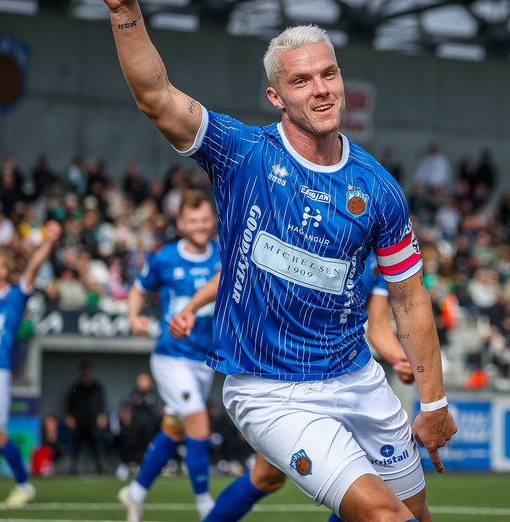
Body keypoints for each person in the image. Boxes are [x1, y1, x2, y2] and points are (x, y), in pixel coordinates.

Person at [93, 0, 456, 522]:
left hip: (357, 379)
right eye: (301, 81)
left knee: (413, 518)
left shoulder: (379, 188)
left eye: (329, 74)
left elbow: (410, 297)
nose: (321, 90)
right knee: (384, 518)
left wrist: (434, 401)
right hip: (269, 389)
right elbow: (156, 96)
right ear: (275, 96)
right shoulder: (244, 153)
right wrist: (125, 12)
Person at [169, 252, 415, 522]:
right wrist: (191, 307)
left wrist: (402, 360)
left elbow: (378, 326)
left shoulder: (381, 254)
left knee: (370, 484)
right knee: (268, 477)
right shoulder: (308, 232)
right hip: (283, 378)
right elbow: (236, 266)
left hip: (344, 378)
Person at [118, 190, 221, 522]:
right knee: (198, 424)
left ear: (213, 220)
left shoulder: (224, 255)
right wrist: (133, 318)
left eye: (204, 219)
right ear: (181, 223)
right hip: (171, 358)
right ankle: (207, 508)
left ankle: (135, 494)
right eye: (193, 220)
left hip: (204, 360)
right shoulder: (165, 258)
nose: (200, 225)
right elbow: (138, 289)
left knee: (175, 430)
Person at [0, 220, 61, 507]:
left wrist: (49, 242)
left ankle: (24, 486)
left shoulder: (15, 296)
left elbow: (32, 267)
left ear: (4, 271)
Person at [65, 361, 108, 474]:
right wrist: (70, 416)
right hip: (79, 421)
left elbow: (101, 403)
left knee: (95, 445)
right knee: (76, 445)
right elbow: (70, 403)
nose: (86, 373)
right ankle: (73, 468)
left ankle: (99, 468)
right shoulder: (76, 388)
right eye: (84, 371)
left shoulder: (96, 387)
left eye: (87, 371)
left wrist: (102, 416)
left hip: (92, 421)